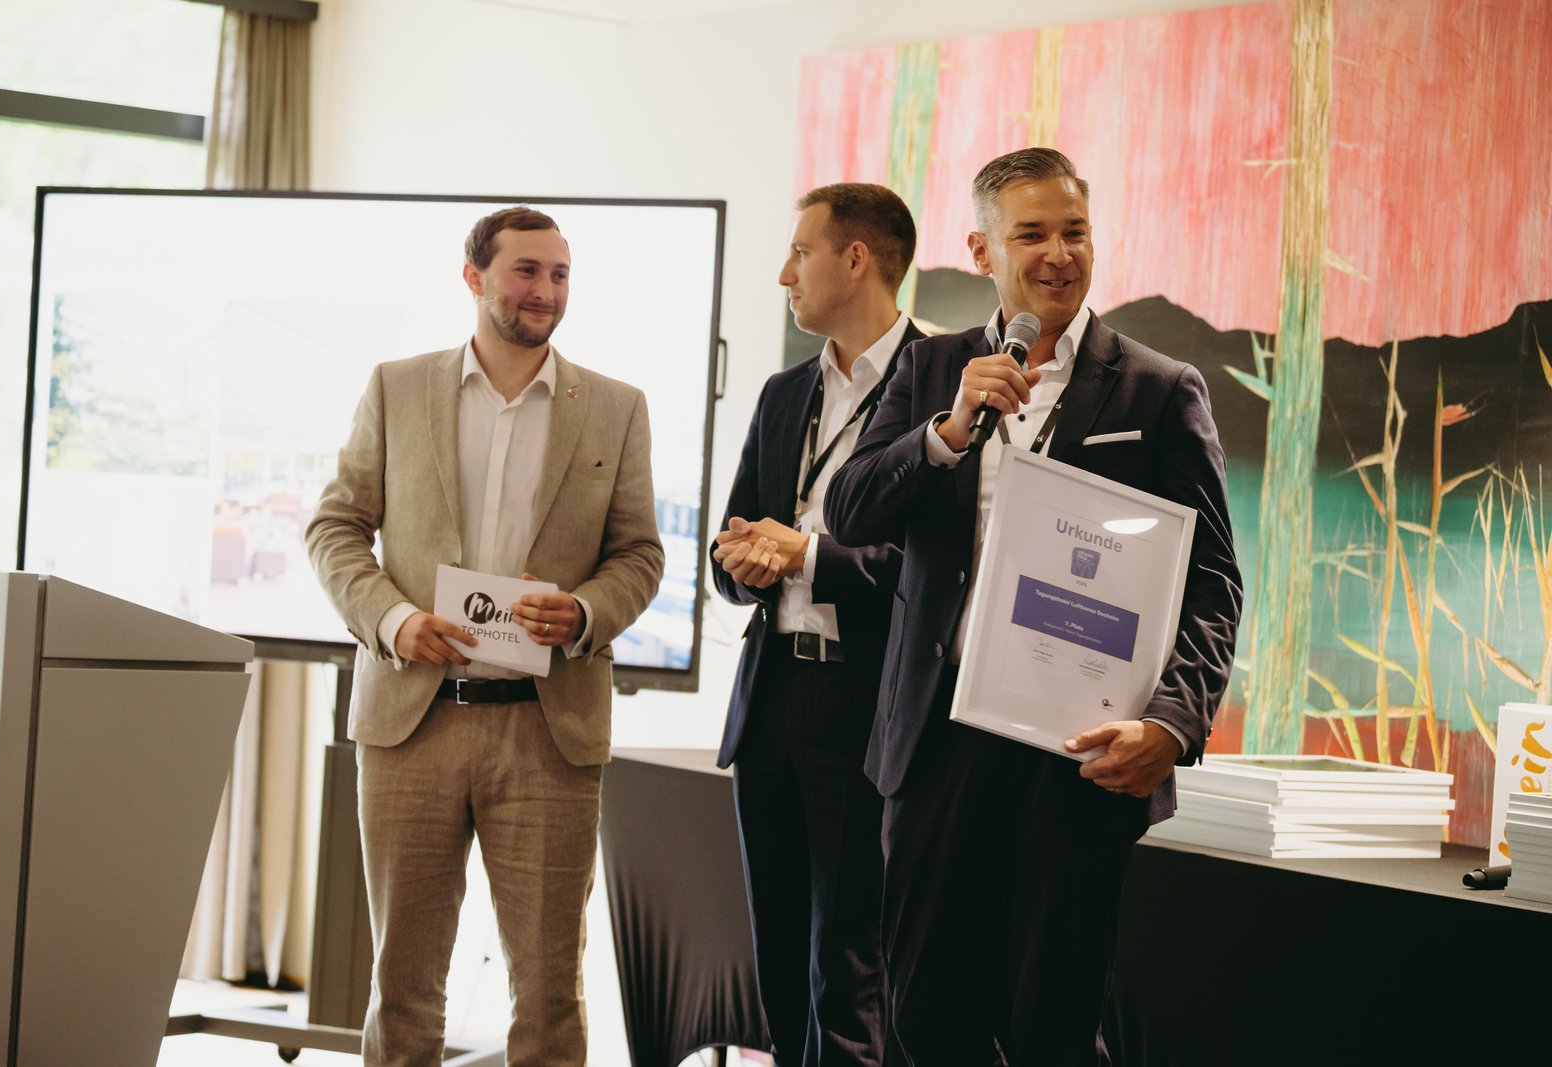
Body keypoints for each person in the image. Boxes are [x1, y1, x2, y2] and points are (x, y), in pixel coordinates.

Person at [824, 147, 1243, 1064]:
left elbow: (1213, 581)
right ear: (982, 250)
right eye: (1032, 235)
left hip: (1079, 753)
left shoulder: (1159, 389)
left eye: (1075, 232)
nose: (1059, 254)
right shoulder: (932, 368)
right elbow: (849, 511)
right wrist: (944, 433)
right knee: (926, 1017)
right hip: (937, 741)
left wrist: (1172, 723)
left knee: (1052, 1024)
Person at [305, 206, 664, 1067]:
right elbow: (335, 527)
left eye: (560, 274)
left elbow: (640, 555)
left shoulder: (615, 407)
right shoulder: (396, 387)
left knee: (548, 993)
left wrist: (582, 611)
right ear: (474, 278)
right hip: (412, 724)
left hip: (548, 729)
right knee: (403, 985)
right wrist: (394, 620)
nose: (546, 290)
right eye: (526, 270)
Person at [712, 183, 922, 1066]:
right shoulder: (782, 391)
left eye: (801, 252)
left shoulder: (938, 388)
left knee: (849, 968)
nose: (783, 273)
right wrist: (744, 561)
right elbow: (728, 547)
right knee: (779, 960)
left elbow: (933, 576)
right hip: (771, 698)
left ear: (856, 258)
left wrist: (806, 557)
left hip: (866, 704)